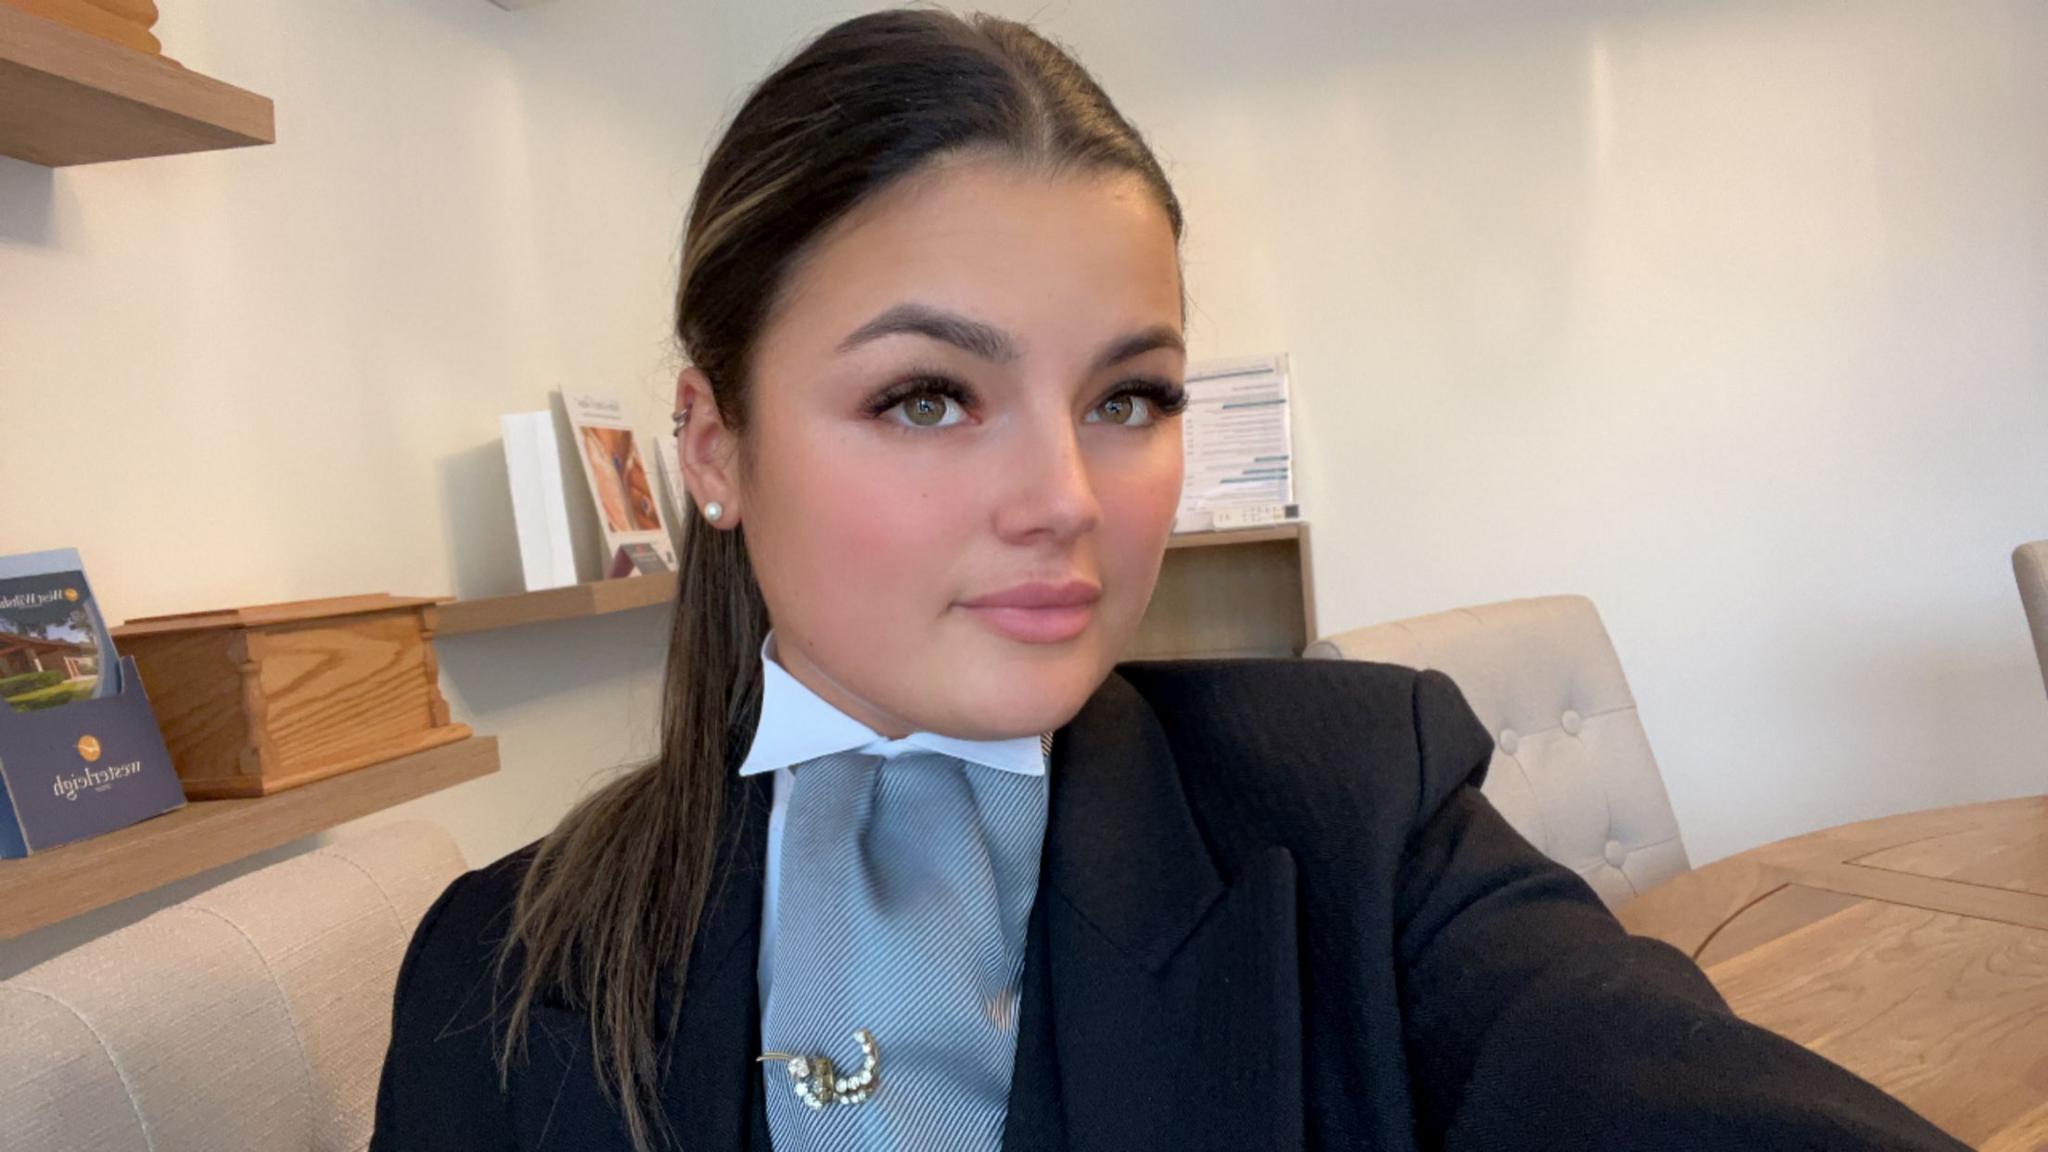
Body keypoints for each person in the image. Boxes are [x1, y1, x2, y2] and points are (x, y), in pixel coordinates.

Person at [370, 9, 1969, 1151]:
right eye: (928, 396)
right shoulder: (501, 976)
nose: (1068, 501)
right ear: (711, 447)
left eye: (1128, 397)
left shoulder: (1358, 813)